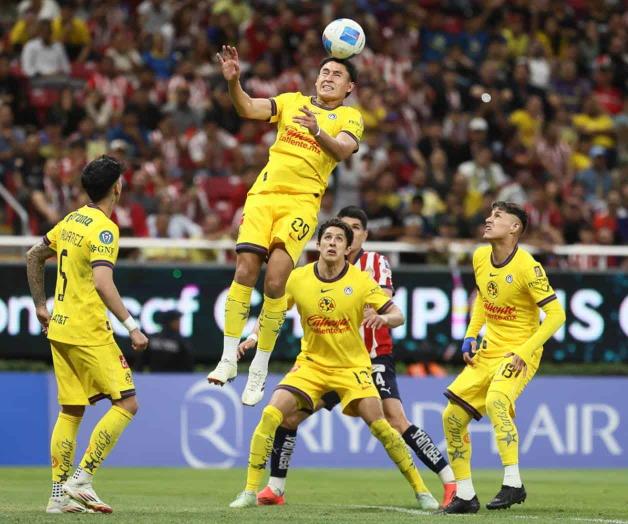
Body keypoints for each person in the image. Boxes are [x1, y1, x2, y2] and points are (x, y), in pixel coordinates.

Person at [239, 206, 456, 507]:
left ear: (360, 236)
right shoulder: (304, 276)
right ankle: (274, 488)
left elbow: (389, 307)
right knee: (287, 417)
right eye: (332, 233)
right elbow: (274, 312)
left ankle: (447, 481)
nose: (337, 240)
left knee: (393, 420)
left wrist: (381, 315)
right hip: (318, 362)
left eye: (348, 232)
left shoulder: (372, 267)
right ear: (321, 241)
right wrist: (251, 337)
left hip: (369, 357)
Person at [207, 45, 364, 407]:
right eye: (325, 72)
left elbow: (341, 150)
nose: (328, 78)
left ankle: (260, 367)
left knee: (276, 281)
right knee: (245, 269)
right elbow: (246, 107)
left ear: (349, 88)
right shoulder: (292, 101)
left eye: (338, 75)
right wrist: (234, 82)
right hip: (263, 195)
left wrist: (316, 130)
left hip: (300, 203)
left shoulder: (350, 118)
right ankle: (229, 358)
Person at [25, 155, 149, 514]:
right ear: (117, 188)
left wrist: (40, 306)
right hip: (87, 329)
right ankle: (82, 478)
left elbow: (34, 255)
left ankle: (58, 497)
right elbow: (102, 282)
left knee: (71, 410)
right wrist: (132, 326)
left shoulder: (71, 220)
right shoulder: (105, 229)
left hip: (59, 327)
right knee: (127, 403)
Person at [441, 202, 566, 514]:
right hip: (489, 348)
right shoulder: (480, 256)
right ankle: (465, 495)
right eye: (490, 214)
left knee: (498, 400)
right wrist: (471, 334)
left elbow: (555, 315)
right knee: (452, 418)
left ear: (515, 228)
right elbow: (484, 296)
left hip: (521, 350)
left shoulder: (528, 266)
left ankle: (513, 483)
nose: (488, 219)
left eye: (497, 217)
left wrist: (524, 352)